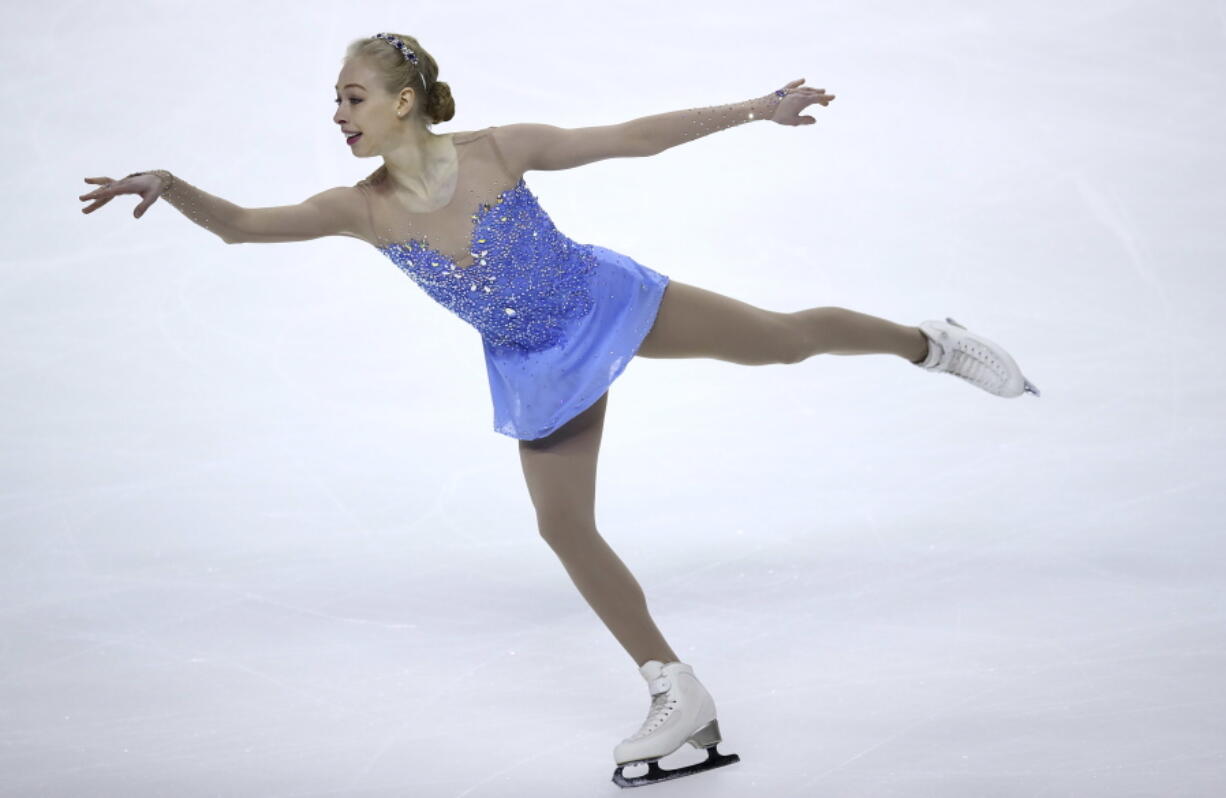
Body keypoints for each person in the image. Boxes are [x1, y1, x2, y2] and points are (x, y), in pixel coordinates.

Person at [78, 31, 1040, 789]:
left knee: (784, 338)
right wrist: (175, 187)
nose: (337, 113)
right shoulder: (359, 207)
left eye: (351, 96)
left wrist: (756, 109)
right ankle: (678, 690)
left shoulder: (499, 151)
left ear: (403, 101)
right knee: (563, 525)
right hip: (537, 365)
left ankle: (929, 342)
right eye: (337, 98)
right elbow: (246, 228)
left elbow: (630, 136)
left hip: (605, 303)